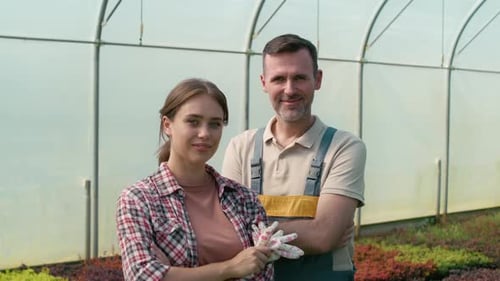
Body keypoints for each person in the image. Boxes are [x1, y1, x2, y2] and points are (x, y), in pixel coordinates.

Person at [222, 34, 367, 281]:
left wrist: (252, 232)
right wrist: (311, 228)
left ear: (317, 79)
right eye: (279, 79)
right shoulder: (241, 147)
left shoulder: (344, 147)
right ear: (264, 82)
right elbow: (224, 233)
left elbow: (323, 237)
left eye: (299, 77)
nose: (289, 89)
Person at [116, 78, 275, 281]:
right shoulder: (139, 199)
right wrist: (232, 268)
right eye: (193, 122)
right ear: (167, 125)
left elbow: (262, 274)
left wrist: (174, 273)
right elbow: (141, 275)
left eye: (215, 124)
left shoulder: (244, 199)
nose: (204, 133)